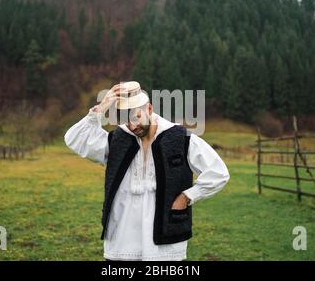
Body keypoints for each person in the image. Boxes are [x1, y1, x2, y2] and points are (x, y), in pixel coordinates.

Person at [64, 82, 230, 261]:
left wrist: (187, 196)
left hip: (163, 240)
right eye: (127, 119)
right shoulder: (117, 141)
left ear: (149, 109)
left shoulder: (181, 138)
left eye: (136, 117)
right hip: (121, 239)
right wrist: (101, 107)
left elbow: (218, 173)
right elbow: (74, 138)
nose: (133, 126)